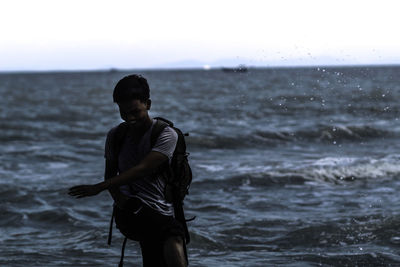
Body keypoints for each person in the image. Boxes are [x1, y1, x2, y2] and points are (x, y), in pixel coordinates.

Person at [68, 74, 187, 267]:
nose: (129, 118)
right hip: (129, 210)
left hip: (163, 210)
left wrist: (100, 187)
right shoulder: (116, 135)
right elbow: (110, 174)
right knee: (173, 235)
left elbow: (143, 168)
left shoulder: (166, 134)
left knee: (154, 255)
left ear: (148, 104)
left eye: (134, 112)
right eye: (123, 113)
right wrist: (122, 201)